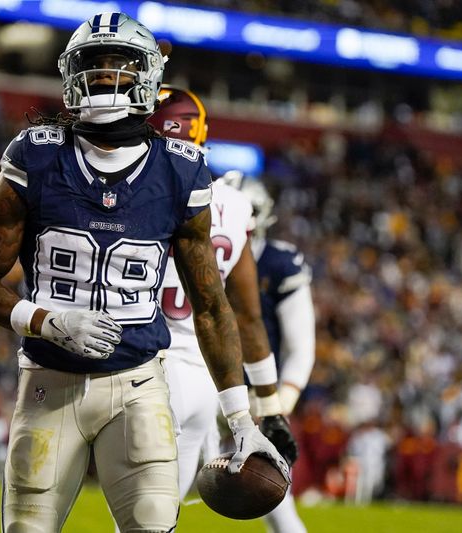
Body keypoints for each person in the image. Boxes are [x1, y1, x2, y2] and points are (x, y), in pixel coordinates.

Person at [0, 12, 289, 532]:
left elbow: (212, 306)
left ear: (149, 78)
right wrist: (47, 321)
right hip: (48, 383)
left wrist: (242, 418)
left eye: (120, 68)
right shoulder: (37, 157)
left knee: (152, 527)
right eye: (94, 68)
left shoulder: (180, 169)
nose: (106, 80)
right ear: (72, 75)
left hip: (138, 384)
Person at [147, 86, 298, 501]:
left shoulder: (139, 195)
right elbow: (247, 316)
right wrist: (269, 405)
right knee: (159, 518)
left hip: (145, 370)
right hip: (203, 376)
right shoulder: (233, 203)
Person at [239, 178, 315, 533]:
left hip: (256, 398)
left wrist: (277, 407)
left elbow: (302, 347)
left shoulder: (278, 262)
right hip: (202, 388)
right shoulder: (198, 249)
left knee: (278, 505)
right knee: (156, 494)